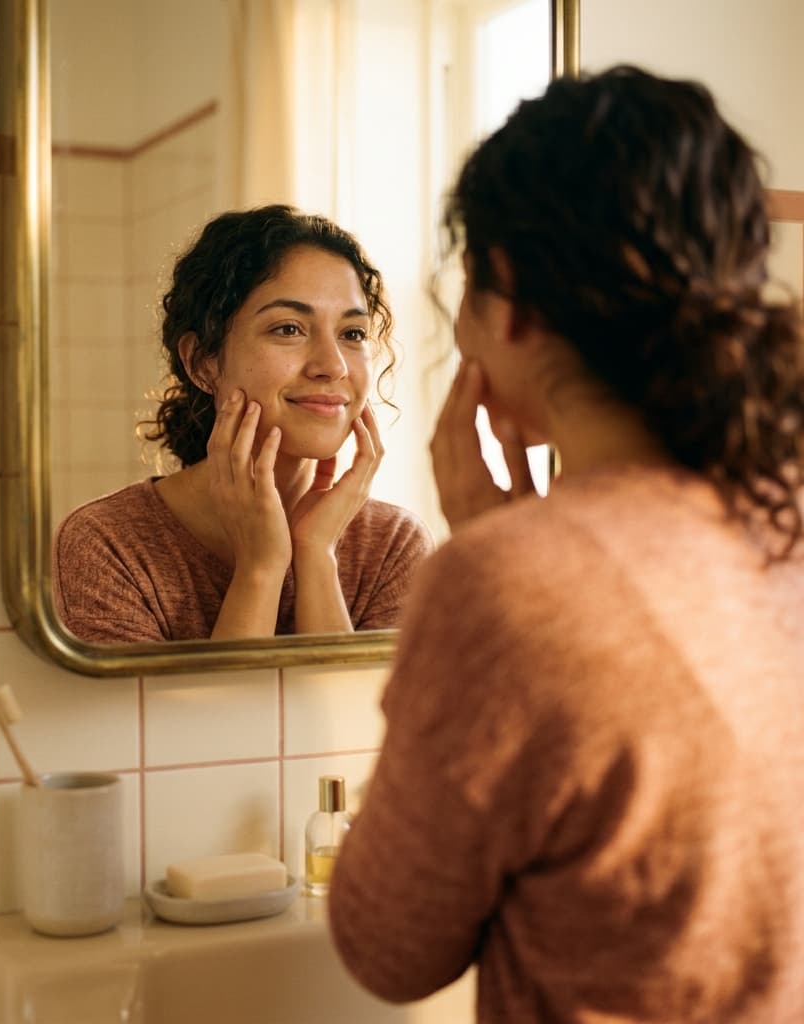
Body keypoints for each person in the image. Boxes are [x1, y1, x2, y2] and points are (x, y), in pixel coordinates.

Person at [329, 65, 804, 1021]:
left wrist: (505, 563)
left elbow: (389, 948)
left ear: (512, 301)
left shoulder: (505, 586)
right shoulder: (777, 518)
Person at [53, 205, 433, 642]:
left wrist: (316, 556)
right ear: (201, 362)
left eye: (352, 334)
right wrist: (260, 568)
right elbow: (206, 716)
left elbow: (362, 713)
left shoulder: (393, 545)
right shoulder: (108, 545)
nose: (333, 366)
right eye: (289, 329)